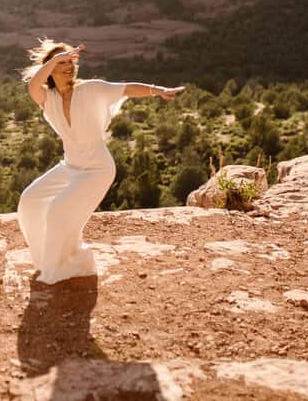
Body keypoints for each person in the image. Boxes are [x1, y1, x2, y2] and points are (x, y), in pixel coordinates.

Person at [18, 39, 184, 284]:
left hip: (97, 169)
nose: (68, 66)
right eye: (61, 63)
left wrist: (157, 90)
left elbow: (126, 89)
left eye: (70, 62)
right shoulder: (47, 98)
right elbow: (33, 84)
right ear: (50, 68)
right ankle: (46, 261)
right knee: (29, 201)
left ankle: (60, 269)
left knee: (59, 211)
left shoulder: (90, 89)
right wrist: (54, 59)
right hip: (70, 166)